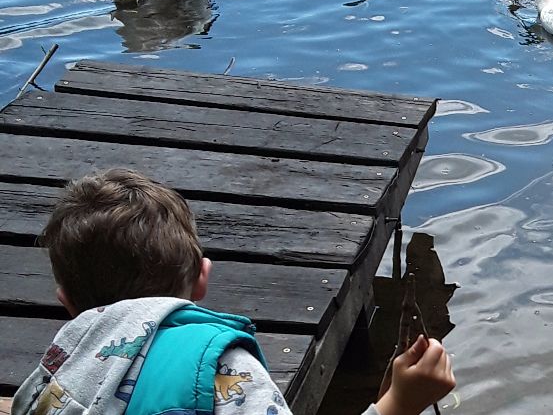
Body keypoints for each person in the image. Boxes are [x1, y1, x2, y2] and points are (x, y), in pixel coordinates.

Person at [12, 168, 454, 415]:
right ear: (202, 278)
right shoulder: (221, 368)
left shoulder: (58, 369)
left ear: (66, 303)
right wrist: (398, 403)